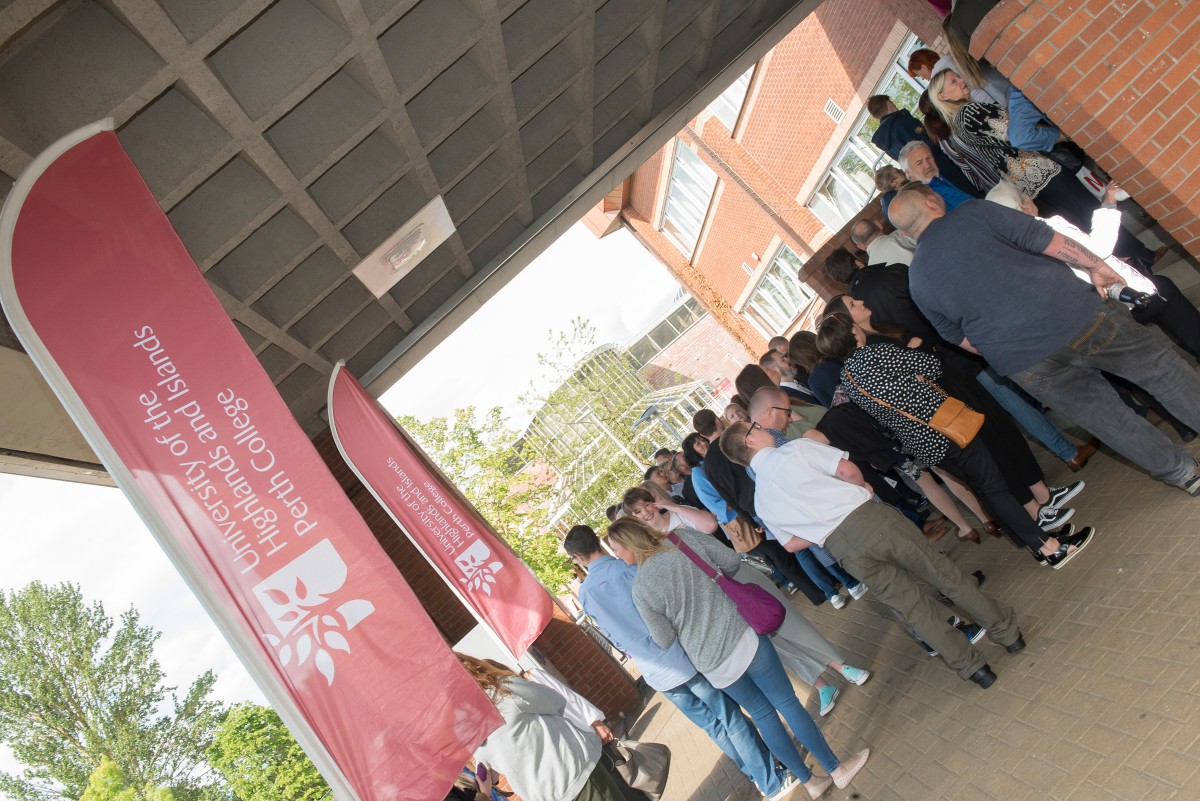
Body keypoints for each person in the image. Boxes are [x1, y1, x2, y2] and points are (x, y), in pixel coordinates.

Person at [890, 185, 1200, 494]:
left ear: (905, 234)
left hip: (1027, 364)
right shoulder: (974, 213)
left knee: (1109, 420)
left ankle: (1183, 474)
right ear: (932, 201)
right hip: (1078, 317)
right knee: (1160, 371)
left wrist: (1012, 347)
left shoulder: (917, 280)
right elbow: (1046, 240)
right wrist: (1095, 265)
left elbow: (959, 339)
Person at [718, 424, 1025, 687]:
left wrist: (821, 530)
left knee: (912, 608)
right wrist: (862, 489)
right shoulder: (796, 449)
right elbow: (846, 470)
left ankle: (974, 669)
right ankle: (1007, 633)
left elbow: (790, 545)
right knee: (943, 575)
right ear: (749, 441)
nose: (761, 428)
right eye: (754, 428)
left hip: (842, 548)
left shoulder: (762, 500)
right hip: (868, 518)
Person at [607, 518, 870, 799]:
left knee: (763, 715)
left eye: (617, 549)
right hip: (741, 636)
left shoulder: (641, 589)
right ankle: (836, 770)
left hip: (712, 664)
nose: (618, 556)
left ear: (628, 544)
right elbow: (731, 561)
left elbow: (664, 638)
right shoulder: (681, 539)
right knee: (785, 701)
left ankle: (810, 783)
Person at [565, 525, 794, 800]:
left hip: (656, 672)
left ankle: (756, 774)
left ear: (577, 556)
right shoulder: (628, 568)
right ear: (599, 541)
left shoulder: (587, 594)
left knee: (713, 725)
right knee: (730, 716)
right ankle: (770, 780)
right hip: (682, 656)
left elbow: (613, 637)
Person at [926, 69, 1156, 266]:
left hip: (1028, 182)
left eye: (958, 77)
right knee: (1091, 211)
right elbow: (1014, 132)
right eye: (953, 82)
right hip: (1040, 172)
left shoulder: (956, 125)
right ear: (942, 96)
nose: (962, 81)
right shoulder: (968, 113)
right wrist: (1053, 134)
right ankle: (1140, 257)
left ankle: (1133, 261)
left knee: (1082, 222)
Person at [461, 653, 624, 801]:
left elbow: (492, 761)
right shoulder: (500, 691)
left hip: (547, 792)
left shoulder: (462, 729)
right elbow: (555, 701)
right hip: (573, 775)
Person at [866, 95, 974, 195]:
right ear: (889, 103)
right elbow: (929, 143)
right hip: (944, 166)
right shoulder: (903, 122)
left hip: (925, 177)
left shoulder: (886, 141)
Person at [899, 141, 975, 211]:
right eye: (919, 163)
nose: (928, 165)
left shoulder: (935, 179)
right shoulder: (925, 197)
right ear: (908, 172)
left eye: (929, 158)